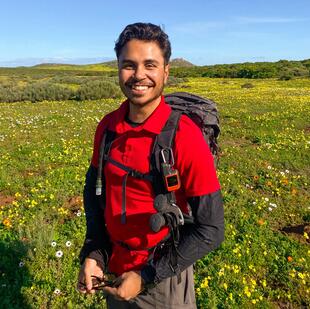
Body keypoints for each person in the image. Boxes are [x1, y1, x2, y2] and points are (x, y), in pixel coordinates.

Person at [77, 22, 224, 308]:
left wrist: (146, 276)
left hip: (163, 279)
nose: (139, 75)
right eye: (129, 65)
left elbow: (211, 229)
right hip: (115, 272)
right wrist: (95, 252)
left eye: (150, 65)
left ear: (166, 72)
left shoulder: (184, 136)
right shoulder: (107, 128)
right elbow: (93, 192)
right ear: (118, 68)